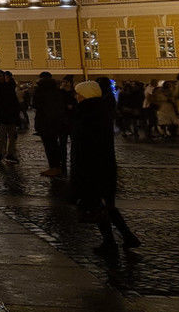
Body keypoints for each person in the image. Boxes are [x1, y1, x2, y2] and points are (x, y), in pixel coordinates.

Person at [70, 79, 141, 255]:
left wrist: (79, 173)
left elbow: (83, 145)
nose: (76, 96)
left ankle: (113, 241)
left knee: (98, 206)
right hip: (104, 165)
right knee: (106, 206)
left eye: (78, 93)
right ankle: (124, 237)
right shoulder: (99, 111)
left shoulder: (87, 114)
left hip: (92, 167)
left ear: (86, 95)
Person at [32, 72, 67, 176]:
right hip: (56, 122)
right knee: (55, 145)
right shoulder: (57, 91)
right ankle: (59, 165)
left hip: (45, 123)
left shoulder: (40, 91)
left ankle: (54, 167)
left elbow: (35, 105)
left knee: (49, 146)